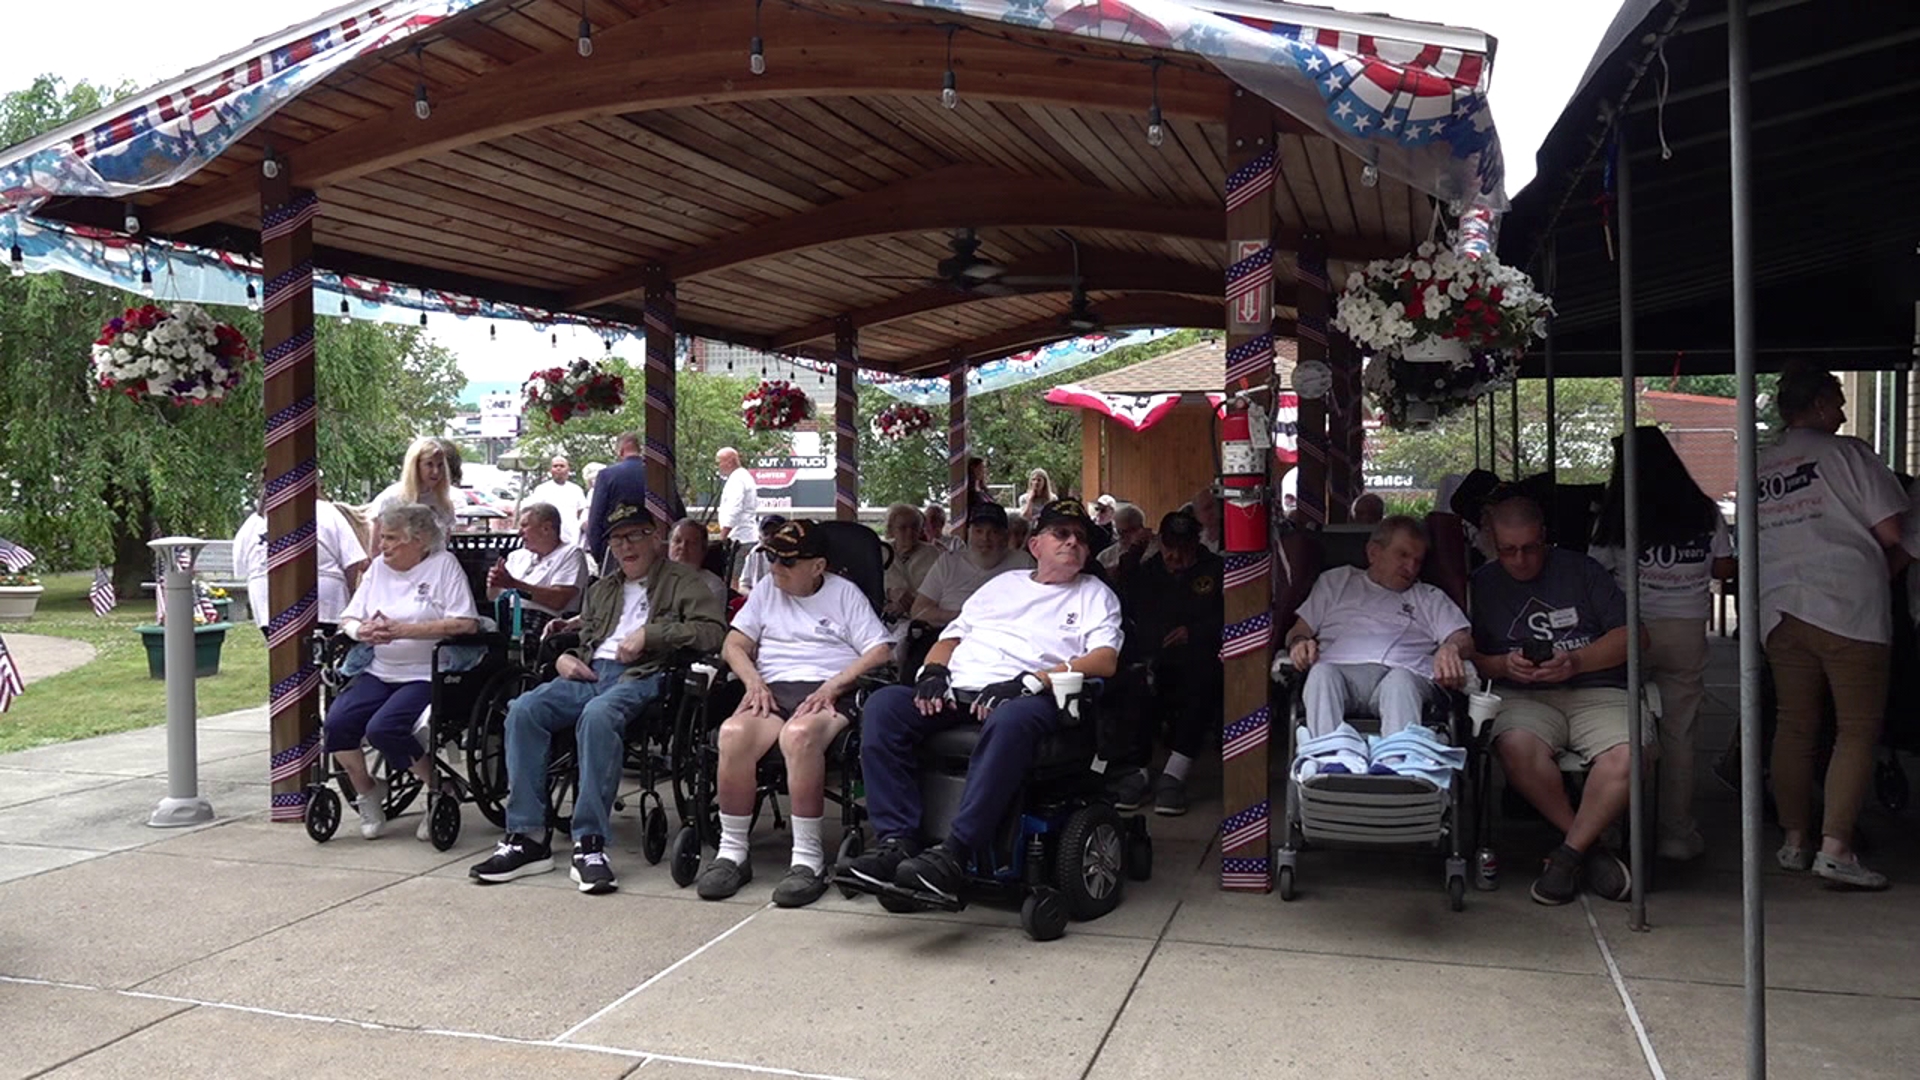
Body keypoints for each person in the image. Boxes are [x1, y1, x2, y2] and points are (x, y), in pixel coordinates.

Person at [844, 499, 1122, 901]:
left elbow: (1105, 659)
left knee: (1011, 720)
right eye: (1061, 533)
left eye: (1080, 537)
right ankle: (896, 842)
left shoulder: (1094, 594)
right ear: (1035, 544)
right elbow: (951, 637)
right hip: (963, 689)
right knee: (884, 707)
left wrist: (1033, 680)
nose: (1072, 542)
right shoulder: (1002, 586)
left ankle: (956, 852)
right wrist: (934, 673)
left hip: (1033, 697)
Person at [469, 501, 726, 893]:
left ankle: (589, 842)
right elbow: (585, 637)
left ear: (654, 537)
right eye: (617, 540)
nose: (625, 547)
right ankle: (527, 837)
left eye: (634, 536)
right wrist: (564, 659)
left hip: (644, 674)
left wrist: (651, 635)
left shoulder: (683, 582)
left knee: (598, 714)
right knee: (523, 709)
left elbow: (712, 632)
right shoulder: (603, 588)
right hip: (587, 673)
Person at [1758, 362, 1906, 891]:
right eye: (1838, 402)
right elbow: (1892, 528)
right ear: (1818, 405)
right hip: (1848, 606)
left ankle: (1794, 840)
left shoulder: (1760, 465)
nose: (1843, 412)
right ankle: (1837, 847)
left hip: (1779, 607)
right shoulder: (1849, 454)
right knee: (1856, 730)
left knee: (1794, 725)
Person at [697, 520, 893, 907]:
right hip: (772, 686)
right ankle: (732, 852)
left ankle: (808, 860)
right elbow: (734, 644)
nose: (775, 567)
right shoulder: (768, 590)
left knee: (799, 736)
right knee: (732, 733)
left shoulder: (844, 594)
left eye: (787, 561)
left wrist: (834, 686)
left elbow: (880, 650)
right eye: (772, 557)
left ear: (818, 566)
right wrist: (752, 682)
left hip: (828, 688)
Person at [1462, 495, 1637, 906]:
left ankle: (1568, 854)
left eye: (1529, 548)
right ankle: (1587, 849)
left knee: (1630, 754)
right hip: (1523, 695)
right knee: (1515, 748)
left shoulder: (1583, 571)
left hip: (1597, 688)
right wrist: (1504, 665)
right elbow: (1470, 660)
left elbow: (1633, 636)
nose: (1520, 560)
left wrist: (1576, 661)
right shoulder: (1482, 584)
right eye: (1508, 550)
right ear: (1492, 543)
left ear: (1545, 538)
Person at [1588, 427, 1734, 863]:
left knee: (1618, 733)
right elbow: (1725, 566)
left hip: (1629, 631)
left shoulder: (1616, 514)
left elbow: (1595, 575)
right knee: (1679, 733)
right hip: (1686, 627)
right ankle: (1675, 833)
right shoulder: (1703, 510)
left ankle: (1611, 826)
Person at [328, 504, 479, 840]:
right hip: (380, 669)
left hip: (425, 673)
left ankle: (441, 788)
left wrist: (404, 630)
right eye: (382, 537)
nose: (383, 545)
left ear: (420, 540)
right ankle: (368, 790)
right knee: (337, 723)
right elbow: (349, 618)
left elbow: (465, 623)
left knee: (385, 728)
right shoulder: (378, 568)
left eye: (392, 538)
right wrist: (360, 632)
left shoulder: (443, 566)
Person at [1280, 515, 1471, 739]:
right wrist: (1299, 643)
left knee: (1400, 681)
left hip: (1405, 674)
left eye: (1418, 561)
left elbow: (1463, 638)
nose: (1411, 567)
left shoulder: (1429, 596)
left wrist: (1451, 648)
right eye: (1403, 555)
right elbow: (1299, 630)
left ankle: (1399, 764)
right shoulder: (1337, 581)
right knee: (1321, 673)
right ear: (1373, 553)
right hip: (1339, 672)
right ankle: (1327, 760)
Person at [1111, 510, 1224, 816]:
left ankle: (1175, 773)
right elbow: (1126, 613)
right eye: (1169, 547)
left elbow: (1232, 617)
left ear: (1196, 543)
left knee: (1203, 682)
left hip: (1200, 657)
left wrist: (1195, 632)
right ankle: (1138, 771)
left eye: (1183, 548)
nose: (1175, 555)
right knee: (1131, 684)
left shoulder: (1215, 570)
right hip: (1152, 657)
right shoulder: (1148, 572)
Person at [234, 479, 368, 629]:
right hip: (324, 599)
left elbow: (243, 570)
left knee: (282, 650)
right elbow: (352, 561)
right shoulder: (328, 512)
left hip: (267, 601)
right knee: (319, 647)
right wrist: (350, 596)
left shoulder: (251, 524)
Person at [909, 502, 1033, 628]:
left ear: (1005, 537)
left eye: (994, 532)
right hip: (949, 635)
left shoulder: (1023, 563)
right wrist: (961, 617)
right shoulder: (948, 562)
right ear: (969, 533)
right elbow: (918, 611)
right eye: (979, 531)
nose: (985, 538)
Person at [486, 502, 586, 619]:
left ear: (546, 528)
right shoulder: (517, 556)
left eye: (524, 525)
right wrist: (494, 583)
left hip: (546, 626)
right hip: (508, 621)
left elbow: (559, 600)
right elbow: (493, 597)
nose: (519, 532)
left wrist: (514, 584)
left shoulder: (570, 554)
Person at [372, 436, 458, 539]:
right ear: (415, 466)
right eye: (429, 465)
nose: (436, 471)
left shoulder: (443, 502)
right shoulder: (392, 498)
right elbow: (376, 544)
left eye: (440, 465)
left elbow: (445, 542)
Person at [584, 431, 648, 564]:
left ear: (620, 450)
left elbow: (596, 519)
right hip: (651, 546)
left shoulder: (606, 475)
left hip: (618, 551)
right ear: (639, 448)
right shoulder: (656, 472)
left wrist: (599, 556)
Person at [882, 503, 940, 617]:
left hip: (920, 617)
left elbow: (939, 588)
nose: (909, 532)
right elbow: (868, 585)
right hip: (884, 614)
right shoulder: (881, 551)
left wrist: (910, 601)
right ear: (891, 530)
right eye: (903, 528)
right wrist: (889, 593)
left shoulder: (932, 553)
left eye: (914, 527)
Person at [716, 446, 760, 586]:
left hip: (739, 539)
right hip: (745, 536)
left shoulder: (737, 480)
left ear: (729, 461)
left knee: (733, 582)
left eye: (719, 462)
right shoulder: (743, 476)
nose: (718, 466)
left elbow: (735, 508)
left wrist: (723, 535)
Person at [527, 455, 589, 546]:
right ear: (550, 470)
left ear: (568, 469)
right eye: (555, 466)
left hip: (571, 536)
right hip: (548, 536)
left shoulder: (576, 490)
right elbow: (535, 512)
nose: (558, 468)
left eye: (562, 466)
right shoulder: (541, 489)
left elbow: (581, 512)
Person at [669, 518, 729, 605]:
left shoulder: (712, 586)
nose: (683, 546)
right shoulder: (654, 579)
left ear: (703, 550)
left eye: (692, 543)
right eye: (677, 541)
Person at [1097, 503, 1158, 578]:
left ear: (1140, 529)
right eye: (1119, 532)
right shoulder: (1105, 556)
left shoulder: (1156, 550)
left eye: (1126, 532)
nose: (1121, 538)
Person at [736, 514, 789, 597]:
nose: (770, 537)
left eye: (775, 532)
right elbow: (743, 586)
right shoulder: (755, 553)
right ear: (760, 536)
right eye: (766, 533)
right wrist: (755, 597)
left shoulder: (795, 556)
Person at [1189, 487, 1224, 553]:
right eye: (1206, 508)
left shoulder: (1231, 534)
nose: (1211, 511)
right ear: (1196, 515)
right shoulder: (1197, 541)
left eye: (1213, 505)